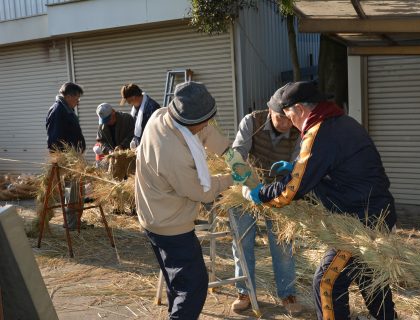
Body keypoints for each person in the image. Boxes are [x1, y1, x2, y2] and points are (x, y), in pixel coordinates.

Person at [242, 80, 397, 320]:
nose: (291, 122)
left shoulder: (319, 131)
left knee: (326, 282)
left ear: (301, 110)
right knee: (369, 275)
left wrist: (261, 194)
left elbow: (290, 191)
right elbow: (329, 166)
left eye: (290, 116)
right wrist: (296, 167)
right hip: (378, 213)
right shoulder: (342, 123)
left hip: (360, 223)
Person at [135, 81, 250, 319]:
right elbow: (202, 192)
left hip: (153, 212)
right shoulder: (171, 150)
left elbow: (205, 130)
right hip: (168, 225)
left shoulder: (164, 115)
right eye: (203, 121)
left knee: (178, 284)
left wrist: (229, 154)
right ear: (189, 121)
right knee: (194, 286)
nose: (207, 125)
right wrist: (232, 178)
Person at [229, 86, 303, 314]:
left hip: (280, 189)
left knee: (283, 243)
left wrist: (281, 186)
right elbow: (236, 155)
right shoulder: (252, 121)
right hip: (249, 185)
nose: (285, 123)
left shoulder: (299, 129)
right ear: (270, 112)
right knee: (242, 240)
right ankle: (245, 291)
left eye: (289, 117)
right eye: (281, 117)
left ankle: (288, 294)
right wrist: (248, 185)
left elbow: (298, 164)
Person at [46, 82, 90, 230]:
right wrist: (64, 159)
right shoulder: (58, 110)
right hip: (68, 161)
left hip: (74, 159)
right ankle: (71, 223)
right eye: (77, 97)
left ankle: (75, 221)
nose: (78, 101)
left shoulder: (67, 109)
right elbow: (54, 139)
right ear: (69, 96)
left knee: (76, 191)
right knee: (72, 191)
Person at [120, 83, 160, 149]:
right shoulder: (135, 109)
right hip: (140, 147)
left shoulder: (152, 108)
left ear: (133, 97)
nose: (130, 104)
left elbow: (155, 131)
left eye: (129, 101)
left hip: (151, 147)